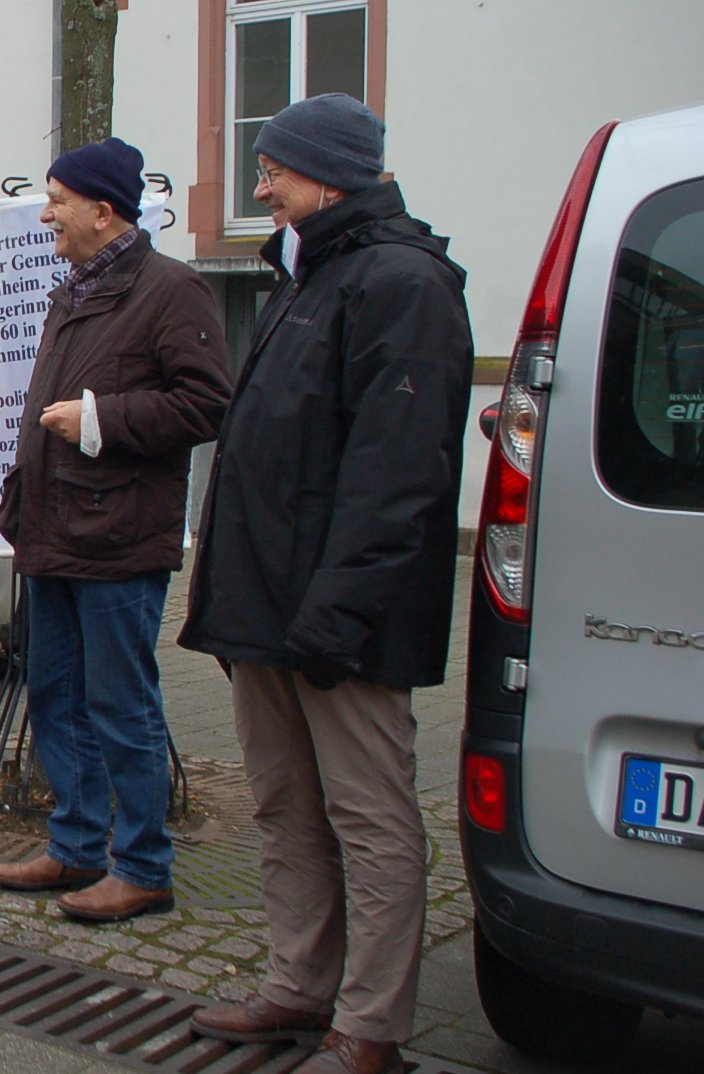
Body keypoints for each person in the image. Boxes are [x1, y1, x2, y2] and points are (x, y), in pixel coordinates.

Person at [179, 94, 472, 1074]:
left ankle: (369, 1027)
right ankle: (300, 987)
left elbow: (398, 473)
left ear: (336, 170)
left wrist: (334, 614)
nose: (259, 186)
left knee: (372, 821)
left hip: (340, 624)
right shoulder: (306, 277)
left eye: (276, 168)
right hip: (270, 615)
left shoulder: (401, 282)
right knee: (286, 808)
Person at [0, 137, 232, 923]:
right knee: (55, 695)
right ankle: (76, 847)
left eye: (57, 200)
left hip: (119, 537)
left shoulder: (172, 289)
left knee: (120, 705)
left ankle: (144, 866)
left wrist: (100, 420)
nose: (45, 213)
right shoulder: (73, 291)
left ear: (102, 209)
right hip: (55, 530)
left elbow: (208, 404)